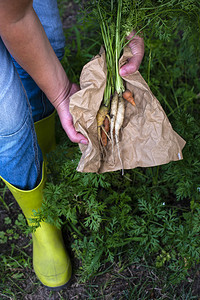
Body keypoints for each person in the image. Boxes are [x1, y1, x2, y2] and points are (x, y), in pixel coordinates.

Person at [0, 0, 144, 290]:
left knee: (48, 44)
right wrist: (62, 91)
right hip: (10, 11)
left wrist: (130, 18)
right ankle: (41, 221)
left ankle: (45, 151)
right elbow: (13, 17)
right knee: (9, 124)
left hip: (12, 10)